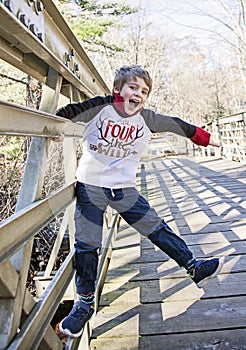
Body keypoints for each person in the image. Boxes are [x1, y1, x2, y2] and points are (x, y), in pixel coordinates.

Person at [55, 65, 224, 338]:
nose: (138, 94)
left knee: (156, 228)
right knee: (87, 244)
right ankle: (84, 302)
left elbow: (178, 125)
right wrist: (57, 128)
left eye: (144, 91)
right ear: (117, 90)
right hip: (92, 187)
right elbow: (66, 114)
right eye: (133, 88)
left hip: (123, 189)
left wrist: (205, 138)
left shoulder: (146, 118)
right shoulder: (100, 107)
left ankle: (193, 267)